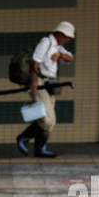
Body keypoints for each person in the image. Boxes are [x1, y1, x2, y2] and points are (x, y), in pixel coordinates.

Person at [17, 20, 75, 159]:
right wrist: (34, 82)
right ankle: (23, 138)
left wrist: (60, 55)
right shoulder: (46, 42)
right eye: (66, 37)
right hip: (40, 82)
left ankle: (40, 149)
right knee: (47, 120)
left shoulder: (58, 47)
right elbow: (34, 63)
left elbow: (70, 58)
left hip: (51, 83)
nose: (67, 40)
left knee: (49, 122)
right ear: (60, 34)